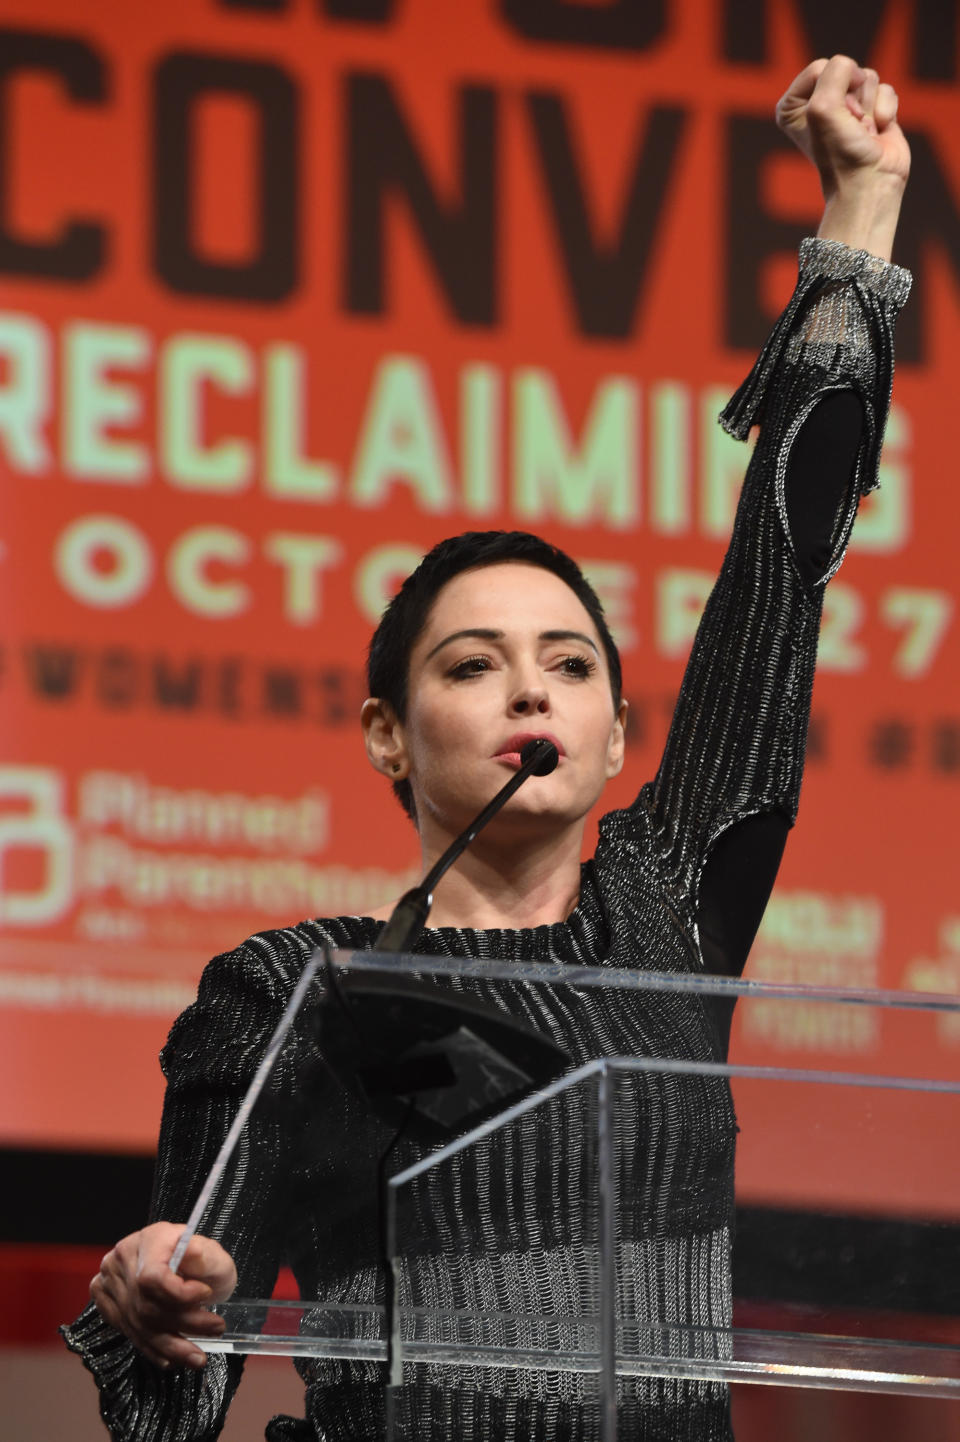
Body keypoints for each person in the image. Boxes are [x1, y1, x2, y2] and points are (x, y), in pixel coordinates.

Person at [63, 55, 911, 1442]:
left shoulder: (667, 912)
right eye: (475, 663)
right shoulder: (294, 990)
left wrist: (863, 215)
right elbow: (180, 1368)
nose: (534, 688)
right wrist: (156, 1295)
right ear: (388, 734)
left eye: (572, 663)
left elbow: (777, 586)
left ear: (619, 729)